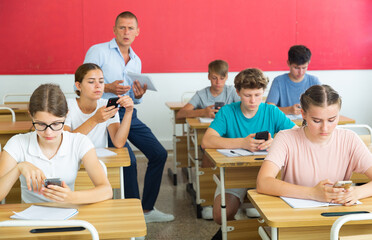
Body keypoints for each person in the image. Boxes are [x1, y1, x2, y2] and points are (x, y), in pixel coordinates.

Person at [83, 11, 173, 223]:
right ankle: (133, 217)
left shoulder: (136, 60)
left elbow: (133, 96)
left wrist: (138, 96)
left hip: (127, 111)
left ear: (137, 32)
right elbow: (82, 82)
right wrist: (107, 87)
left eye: (130, 28)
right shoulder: (98, 51)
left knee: (159, 153)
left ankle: (147, 210)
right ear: (114, 30)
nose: (126, 32)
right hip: (103, 112)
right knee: (129, 161)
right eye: (122, 27)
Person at [201, 68, 296, 239]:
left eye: (258, 95)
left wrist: (276, 142)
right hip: (235, 173)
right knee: (219, 215)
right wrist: (243, 142)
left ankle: (255, 232)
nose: (253, 101)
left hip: (268, 174)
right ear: (238, 92)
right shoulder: (228, 111)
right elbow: (207, 141)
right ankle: (238, 231)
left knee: (272, 213)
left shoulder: (271, 111)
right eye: (247, 95)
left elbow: (297, 135)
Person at [257, 84, 372, 205]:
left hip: (338, 214)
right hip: (295, 217)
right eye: (317, 121)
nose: (325, 128)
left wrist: (357, 192)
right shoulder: (285, 138)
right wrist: (313, 193)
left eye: (332, 120)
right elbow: (263, 182)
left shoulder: (350, 139)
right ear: (303, 114)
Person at [0, 84, 112, 203]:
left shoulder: (79, 142)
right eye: (41, 124)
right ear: (31, 116)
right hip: (30, 218)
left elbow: (106, 191)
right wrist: (19, 168)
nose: (48, 132)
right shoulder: (17, 143)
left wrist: (71, 197)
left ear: (66, 115)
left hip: (68, 217)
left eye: (56, 124)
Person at [64, 63, 133, 150]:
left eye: (101, 81)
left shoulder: (107, 105)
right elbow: (65, 142)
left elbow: (118, 143)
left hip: (98, 160)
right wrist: (95, 120)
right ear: (78, 86)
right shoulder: (66, 105)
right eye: (91, 82)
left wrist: (129, 112)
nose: (98, 86)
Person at [176, 60, 240, 119]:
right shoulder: (201, 95)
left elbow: (245, 110)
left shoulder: (232, 91)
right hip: (206, 130)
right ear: (209, 76)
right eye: (214, 78)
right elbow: (180, 114)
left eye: (222, 78)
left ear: (226, 77)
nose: (218, 82)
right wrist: (203, 112)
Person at [266, 45, 321, 115]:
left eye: (304, 68)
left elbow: (323, 106)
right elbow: (269, 109)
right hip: (285, 123)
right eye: (296, 68)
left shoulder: (314, 81)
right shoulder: (278, 81)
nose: (300, 72)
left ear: (309, 63)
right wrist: (288, 110)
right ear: (288, 63)